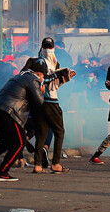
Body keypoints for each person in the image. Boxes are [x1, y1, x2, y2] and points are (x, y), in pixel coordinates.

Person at [0, 59, 47, 181]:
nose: (43, 78)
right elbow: (39, 102)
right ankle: (2, 172)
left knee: (7, 142)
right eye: (43, 75)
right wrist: (42, 91)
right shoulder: (33, 79)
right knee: (19, 143)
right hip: (8, 112)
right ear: (39, 73)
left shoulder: (20, 76)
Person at [23, 37, 76, 174]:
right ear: (42, 48)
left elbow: (56, 84)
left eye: (49, 47)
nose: (48, 49)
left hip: (39, 102)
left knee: (41, 133)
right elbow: (39, 79)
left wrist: (66, 77)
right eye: (46, 47)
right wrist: (54, 77)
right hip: (49, 101)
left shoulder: (54, 63)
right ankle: (56, 163)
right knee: (59, 131)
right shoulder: (39, 62)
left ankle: (38, 165)